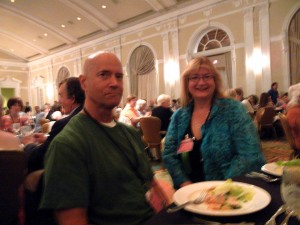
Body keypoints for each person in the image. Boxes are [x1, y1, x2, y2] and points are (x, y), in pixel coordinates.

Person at [40, 52, 157, 225]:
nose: (114, 83)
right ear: (84, 83)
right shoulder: (68, 144)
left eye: (119, 76)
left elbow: (152, 183)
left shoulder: (130, 133)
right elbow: (73, 220)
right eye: (104, 75)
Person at [162, 56, 265, 189]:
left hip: (231, 190)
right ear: (187, 83)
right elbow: (169, 155)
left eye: (207, 76)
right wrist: (183, 183)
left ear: (215, 81)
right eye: (194, 77)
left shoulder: (233, 110)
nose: (201, 82)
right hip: (188, 194)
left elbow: (249, 154)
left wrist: (221, 188)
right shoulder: (178, 116)